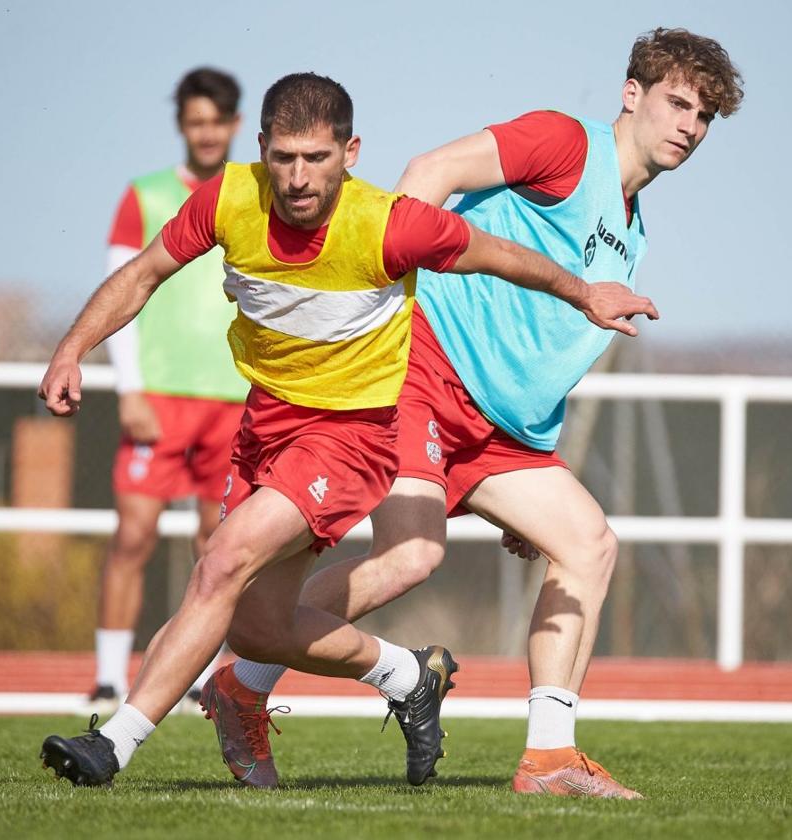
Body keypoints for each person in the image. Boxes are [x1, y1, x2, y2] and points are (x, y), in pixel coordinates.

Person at [36, 72, 657, 789]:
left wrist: (583, 291)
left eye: (317, 159)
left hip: (351, 436)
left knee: (223, 560)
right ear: (261, 147)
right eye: (285, 157)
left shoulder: (392, 223)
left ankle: (111, 745)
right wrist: (71, 348)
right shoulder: (229, 198)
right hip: (266, 424)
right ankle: (406, 676)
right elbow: (143, 273)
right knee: (257, 624)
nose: (299, 179)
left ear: (351, 152)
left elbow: (501, 255)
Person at [216, 28, 743, 798]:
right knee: (410, 557)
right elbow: (431, 172)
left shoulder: (631, 231)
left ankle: (549, 759)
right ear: (633, 94)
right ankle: (245, 678)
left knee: (589, 545)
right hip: (426, 371)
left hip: (503, 433)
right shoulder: (565, 145)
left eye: (704, 116)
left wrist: (518, 493)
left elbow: (546, 345)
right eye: (678, 102)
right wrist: (371, 277)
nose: (689, 126)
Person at [91, 67, 248, 710]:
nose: (206, 133)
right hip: (158, 396)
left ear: (236, 125)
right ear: (182, 125)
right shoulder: (146, 194)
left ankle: (195, 676)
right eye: (194, 121)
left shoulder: (257, 193)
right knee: (133, 535)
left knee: (218, 546)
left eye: (216, 121)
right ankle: (106, 674)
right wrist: (129, 387)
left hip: (236, 395)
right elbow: (121, 286)